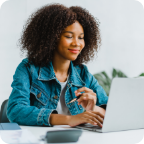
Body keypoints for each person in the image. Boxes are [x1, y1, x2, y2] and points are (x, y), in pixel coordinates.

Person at [7, 3, 108, 128]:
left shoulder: (83, 74)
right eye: (69, 36)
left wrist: (94, 108)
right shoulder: (28, 69)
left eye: (81, 38)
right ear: (52, 38)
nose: (77, 43)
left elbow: (112, 114)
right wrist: (69, 119)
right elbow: (15, 111)